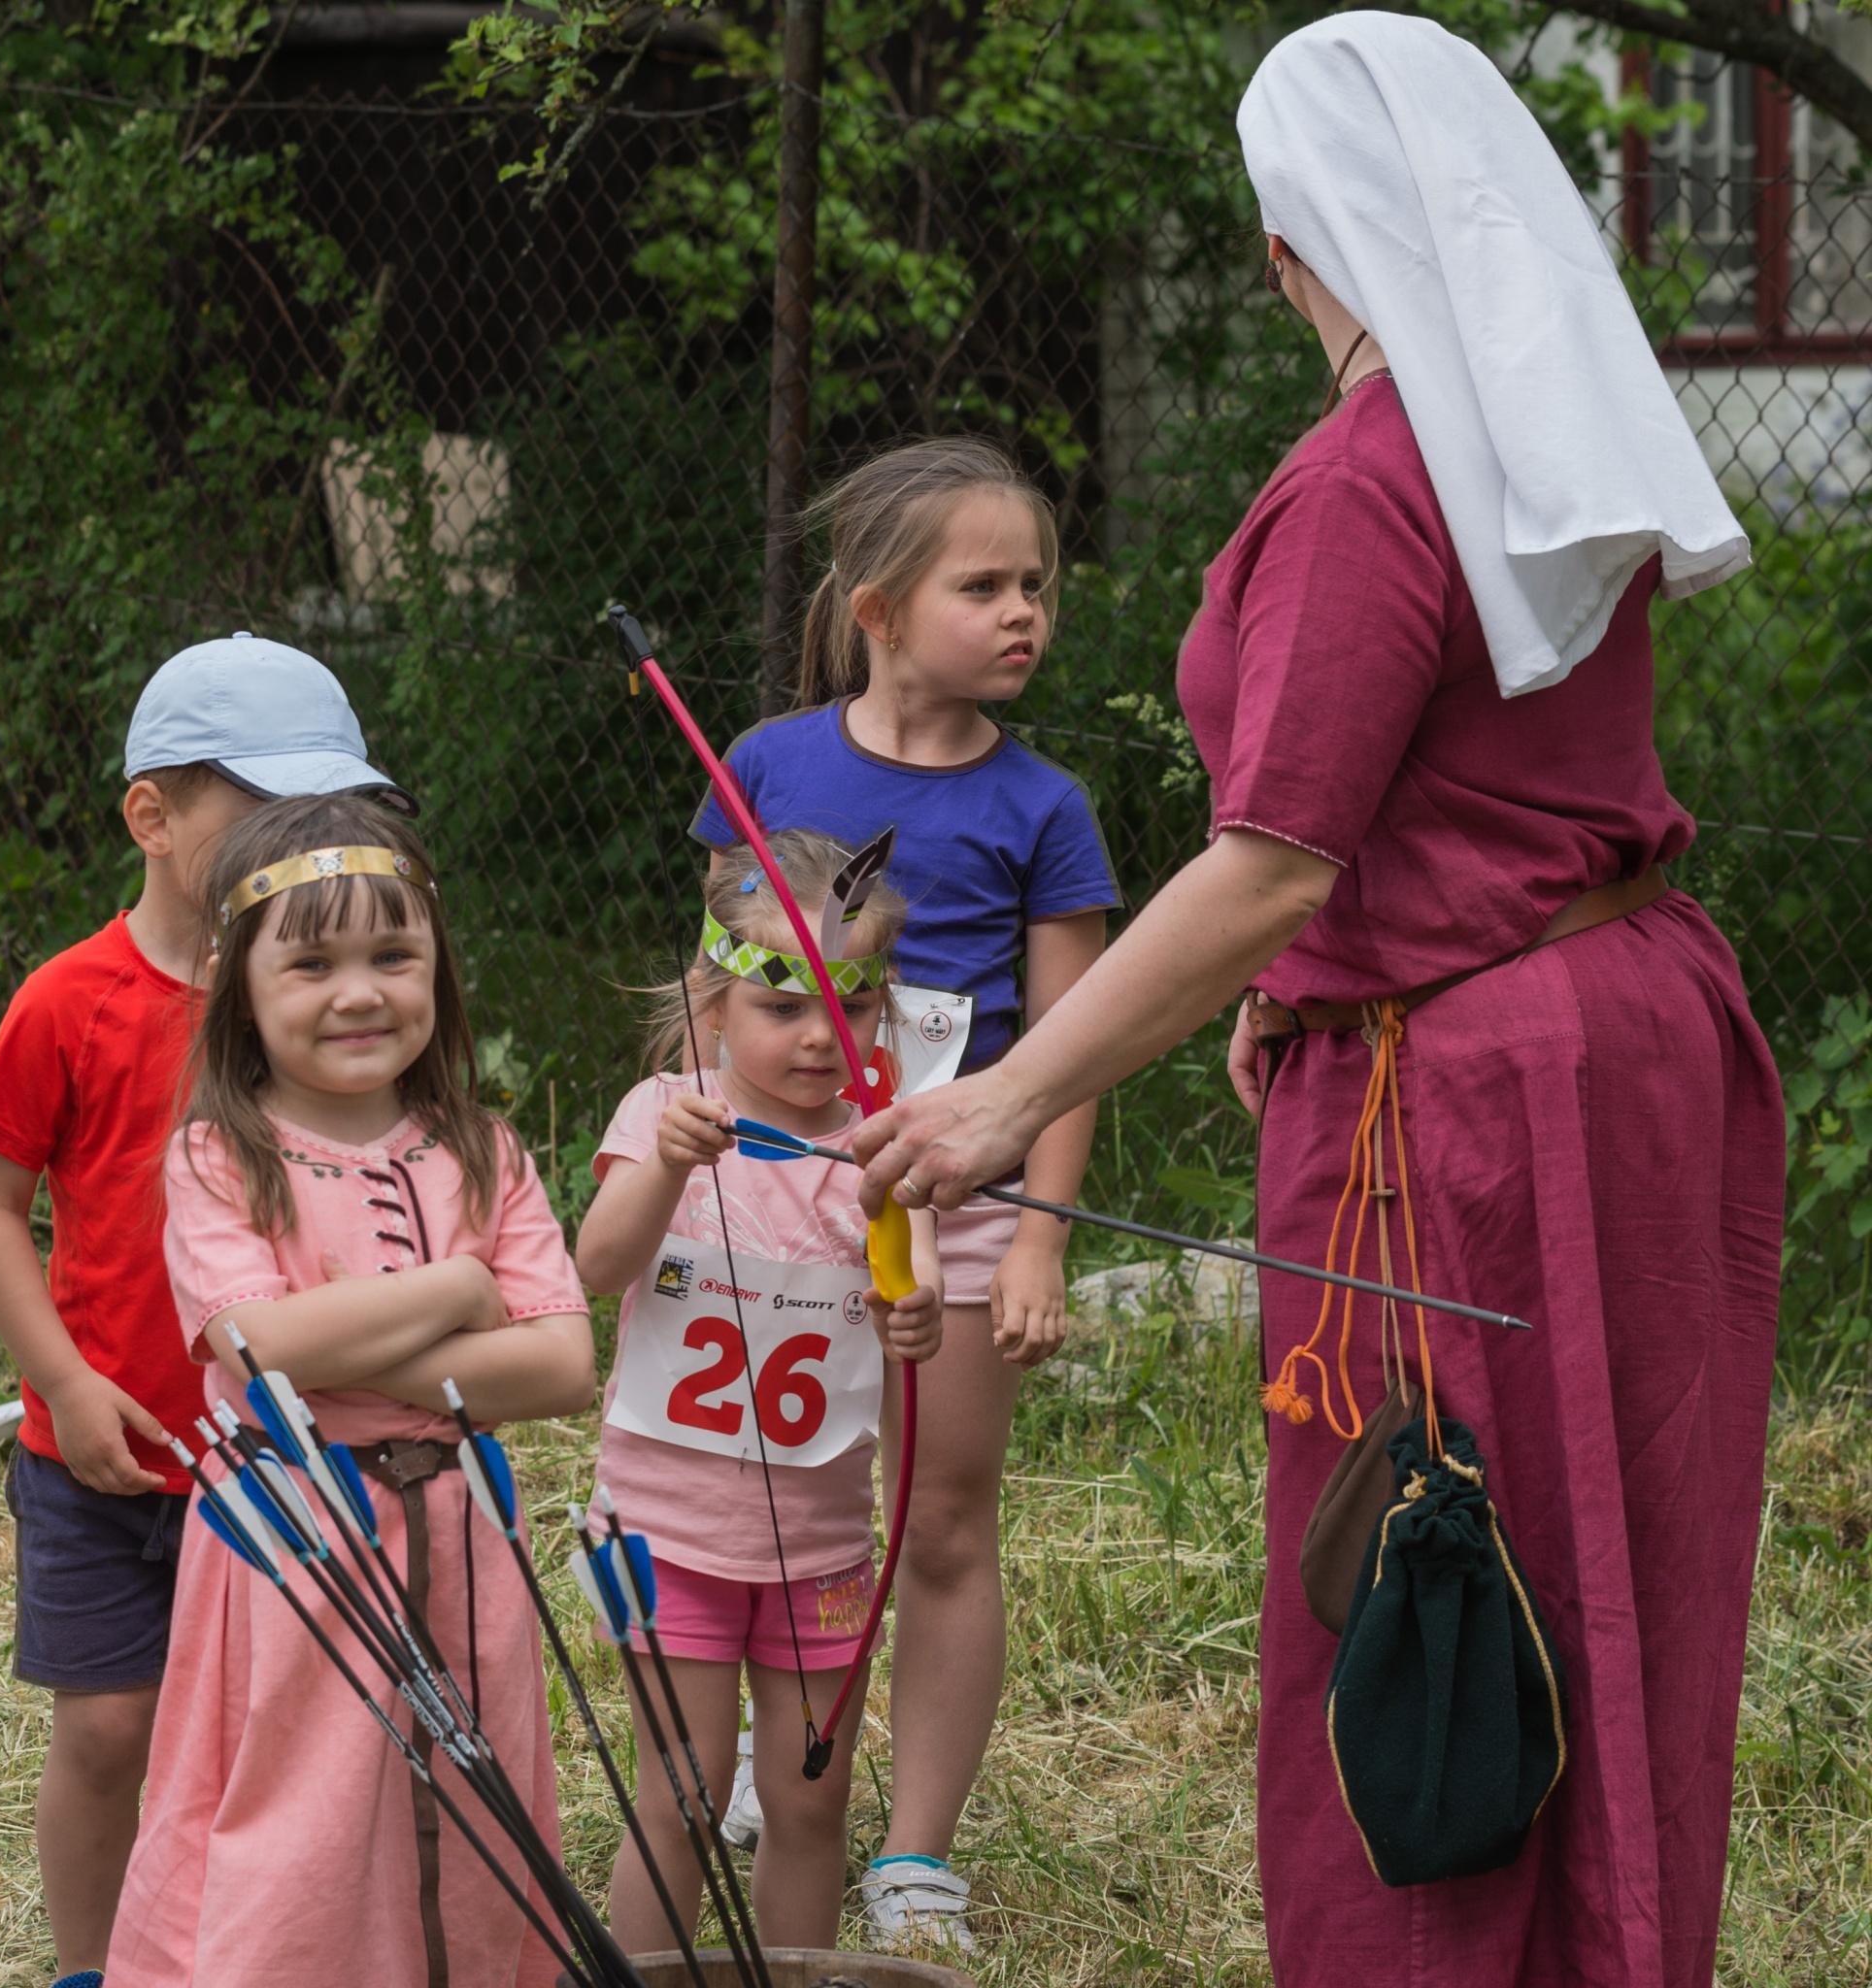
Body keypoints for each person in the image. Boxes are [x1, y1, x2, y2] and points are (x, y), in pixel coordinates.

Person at [846, 17, 1781, 1988]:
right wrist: (1305, 972)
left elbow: (1280, 853)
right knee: (1583, 1567)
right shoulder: (1526, 433)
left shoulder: (1370, 477)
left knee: (1428, 1576)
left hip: (1472, 1104)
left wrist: (1003, 1104)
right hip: (1615, 1037)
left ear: (1290, 244)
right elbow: (1450, 798)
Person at [692, 438, 1117, 1951]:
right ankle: (767, 1764)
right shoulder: (767, 765)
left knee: (939, 1519)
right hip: (778, 1198)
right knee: (770, 1497)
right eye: (983, 586)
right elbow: (713, 987)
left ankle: (916, 1854)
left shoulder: (1046, 809)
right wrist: (689, 1160)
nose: (1024, 613)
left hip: (969, 1210)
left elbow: (1069, 1049)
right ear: (876, 609)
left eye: (1036, 586)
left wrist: (1040, 1240)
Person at [0, 634, 414, 1988]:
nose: (303, 838)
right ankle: (93, 1969)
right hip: (104, 1455)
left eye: (327, 809)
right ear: (150, 816)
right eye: (266, 808)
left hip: (288, 1454)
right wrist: (64, 1380)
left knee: (281, 1739)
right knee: (109, 1732)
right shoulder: (68, 1001)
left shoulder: (321, 1012)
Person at [105, 792, 595, 1987]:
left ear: (438, 965)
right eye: (312, 963)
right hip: (302, 1541)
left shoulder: (483, 1149)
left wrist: (333, 1346)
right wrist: (462, 1286)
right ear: (237, 983)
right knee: (303, 1819)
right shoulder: (218, 1156)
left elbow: (561, 1364)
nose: (359, 992)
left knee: (475, 1806)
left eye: (392, 954)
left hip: (463, 1540)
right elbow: (258, 1345)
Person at [575, 831, 944, 1951]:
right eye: (782, 1007)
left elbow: (911, 1291)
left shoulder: (885, 1149)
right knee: (680, 1797)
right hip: (667, 1535)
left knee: (808, 1798)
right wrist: (667, 1163)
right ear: (713, 1002)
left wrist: (916, 1316)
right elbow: (594, 1266)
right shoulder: (664, 1112)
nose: (821, 1036)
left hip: (821, 1550)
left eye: (853, 1005)